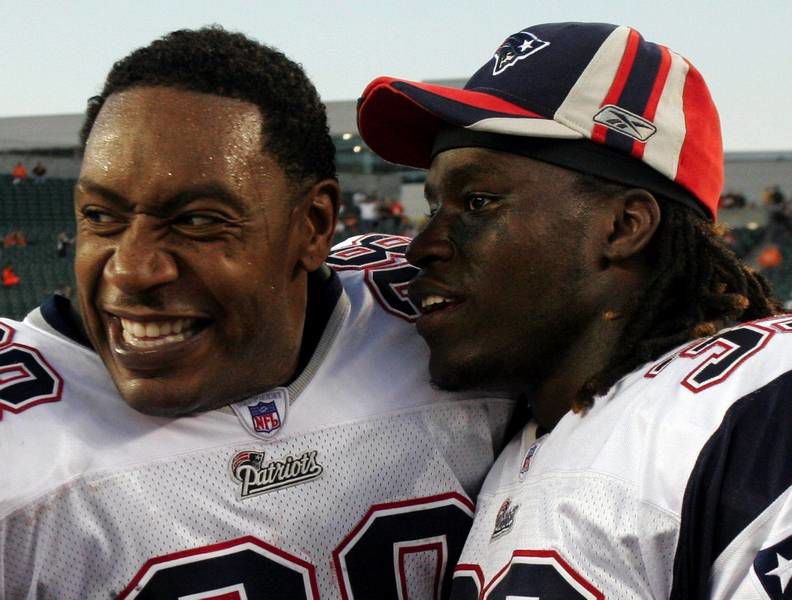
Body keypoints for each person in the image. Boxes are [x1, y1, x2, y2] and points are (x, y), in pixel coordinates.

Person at [0, 27, 514, 598]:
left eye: (196, 220)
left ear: (313, 226)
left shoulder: (429, 318)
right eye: (101, 216)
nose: (131, 270)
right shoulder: (15, 429)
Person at [357, 22, 791, 599]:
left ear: (623, 226)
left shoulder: (755, 408)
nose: (422, 244)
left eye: (478, 202)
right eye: (434, 205)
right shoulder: (516, 434)